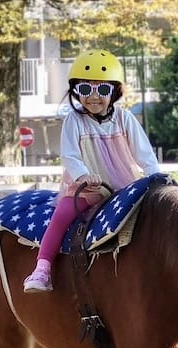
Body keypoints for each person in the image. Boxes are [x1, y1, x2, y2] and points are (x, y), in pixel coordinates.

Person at [23, 49, 160, 293]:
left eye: (103, 90)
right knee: (62, 215)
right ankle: (42, 268)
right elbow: (70, 154)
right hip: (87, 190)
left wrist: (155, 176)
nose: (93, 97)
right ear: (77, 92)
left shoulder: (124, 118)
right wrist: (83, 176)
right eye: (85, 90)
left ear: (114, 92)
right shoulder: (73, 121)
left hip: (124, 187)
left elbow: (144, 153)